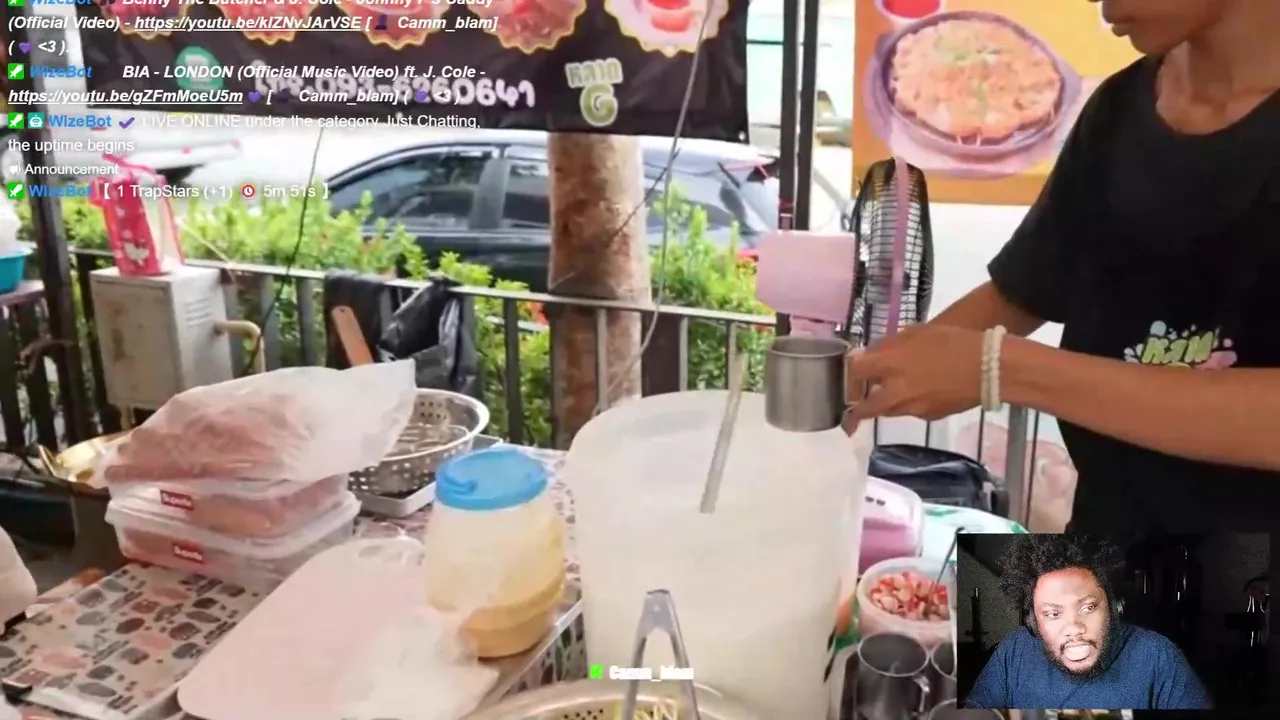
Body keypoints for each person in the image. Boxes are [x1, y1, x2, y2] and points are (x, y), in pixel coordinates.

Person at [845, 0, 1280, 533]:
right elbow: (1024, 289)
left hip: (1247, 569)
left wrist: (1002, 369)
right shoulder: (1121, 106)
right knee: (915, 580)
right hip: (1103, 534)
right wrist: (872, 375)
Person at [966, 535, 1210, 710]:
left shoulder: (1158, 655)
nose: (1074, 627)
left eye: (1088, 607)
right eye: (1053, 613)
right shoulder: (1014, 651)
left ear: (1114, 607)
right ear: (1034, 622)